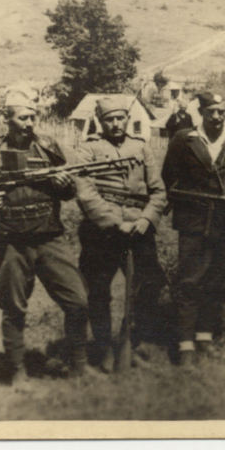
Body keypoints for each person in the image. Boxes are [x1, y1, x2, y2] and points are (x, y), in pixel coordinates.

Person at [0, 86, 90, 384]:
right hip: (13, 242)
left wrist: (64, 185)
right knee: (13, 307)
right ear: (7, 119)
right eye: (23, 118)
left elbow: (70, 191)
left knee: (78, 301)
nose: (30, 123)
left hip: (49, 237)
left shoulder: (47, 147)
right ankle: (17, 370)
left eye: (33, 117)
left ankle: (79, 366)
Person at [74, 96, 167, 372]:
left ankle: (131, 343)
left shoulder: (141, 147)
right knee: (98, 291)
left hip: (139, 230)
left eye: (120, 118)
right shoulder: (88, 149)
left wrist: (146, 218)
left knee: (150, 284)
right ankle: (104, 348)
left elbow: (158, 191)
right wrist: (116, 222)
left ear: (127, 119)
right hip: (101, 233)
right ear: (100, 122)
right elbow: (86, 194)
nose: (115, 124)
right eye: (109, 119)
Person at [161, 92, 225, 366]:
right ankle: (185, 343)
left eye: (221, 111)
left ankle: (205, 336)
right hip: (194, 222)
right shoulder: (183, 139)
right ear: (201, 112)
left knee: (216, 279)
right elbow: (169, 176)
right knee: (190, 281)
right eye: (211, 111)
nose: (216, 117)